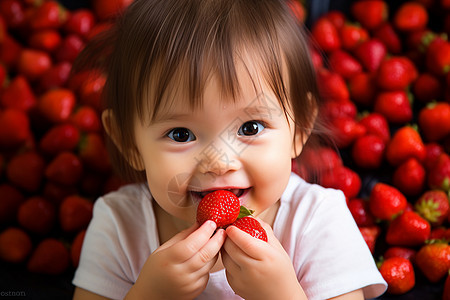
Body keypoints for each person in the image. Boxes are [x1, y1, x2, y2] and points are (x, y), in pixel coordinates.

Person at [72, 0, 387, 299]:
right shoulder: (119, 226)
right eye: (180, 134)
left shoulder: (317, 221)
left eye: (250, 128)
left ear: (299, 127)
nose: (219, 163)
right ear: (129, 142)